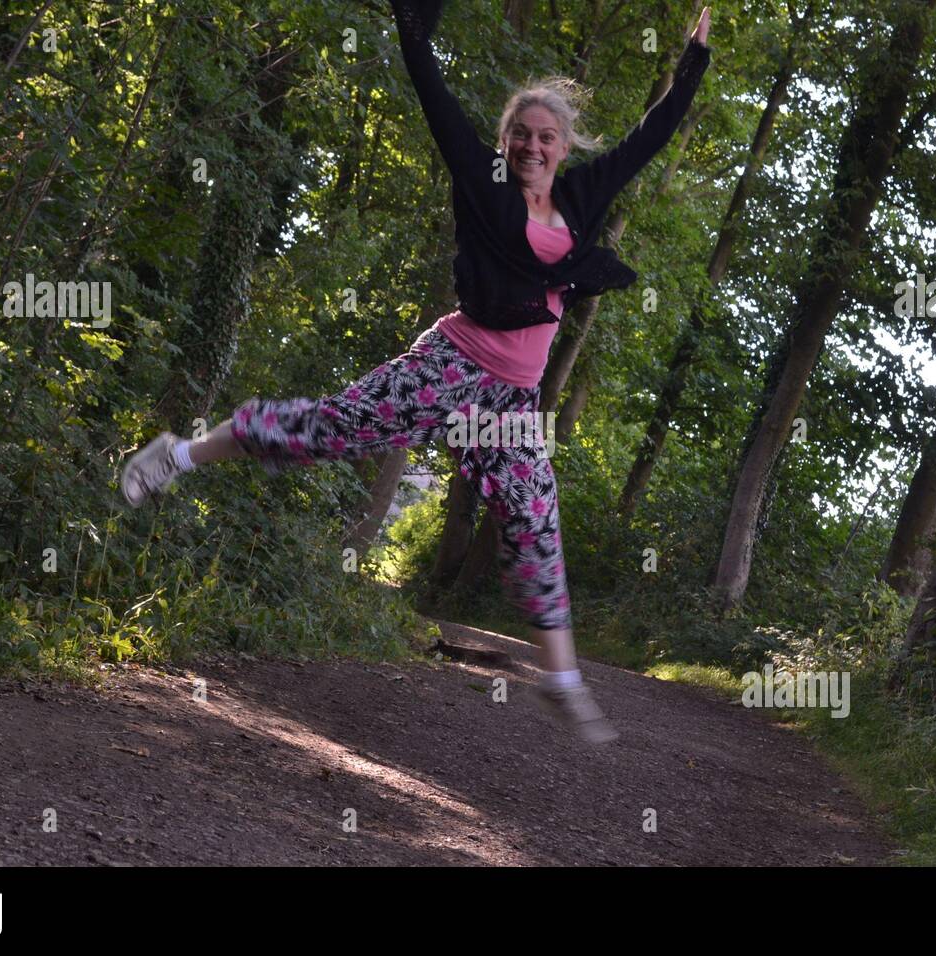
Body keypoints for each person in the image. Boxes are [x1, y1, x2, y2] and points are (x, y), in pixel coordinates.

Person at [120, 0, 712, 745]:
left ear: (564, 146)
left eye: (546, 137)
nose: (532, 146)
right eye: (520, 135)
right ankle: (177, 455)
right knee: (329, 430)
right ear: (505, 143)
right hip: (453, 363)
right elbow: (434, 97)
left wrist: (692, 63)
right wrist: (414, 29)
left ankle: (562, 680)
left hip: (512, 398)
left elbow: (649, 137)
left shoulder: (584, 196)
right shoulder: (483, 179)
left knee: (535, 518)